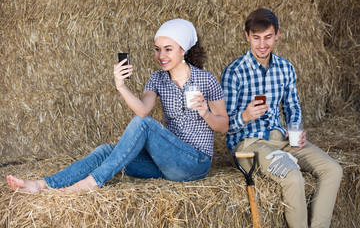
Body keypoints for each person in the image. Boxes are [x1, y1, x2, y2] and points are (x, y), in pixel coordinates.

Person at [7, 18, 229, 193]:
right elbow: (142, 110)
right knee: (106, 151)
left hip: (195, 164)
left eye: (168, 49)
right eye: (157, 49)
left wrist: (205, 113)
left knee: (145, 125)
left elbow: (223, 126)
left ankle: (93, 182)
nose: (160, 55)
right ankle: (43, 185)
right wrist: (120, 85)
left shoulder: (206, 79)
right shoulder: (157, 79)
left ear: (184, 50)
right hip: (166, 166)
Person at [220, 8, 342, 228]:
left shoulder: (286, 68)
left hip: (281, 139)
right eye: (256, 38)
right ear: (247, 36)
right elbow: (223, 125)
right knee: (293, 177)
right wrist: (245, 116)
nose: (262, 44)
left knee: (333, 170)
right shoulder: (234, 72)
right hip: (248, 144)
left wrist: (296, 128)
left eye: (268, 37)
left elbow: (292, 106)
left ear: (277, 34)